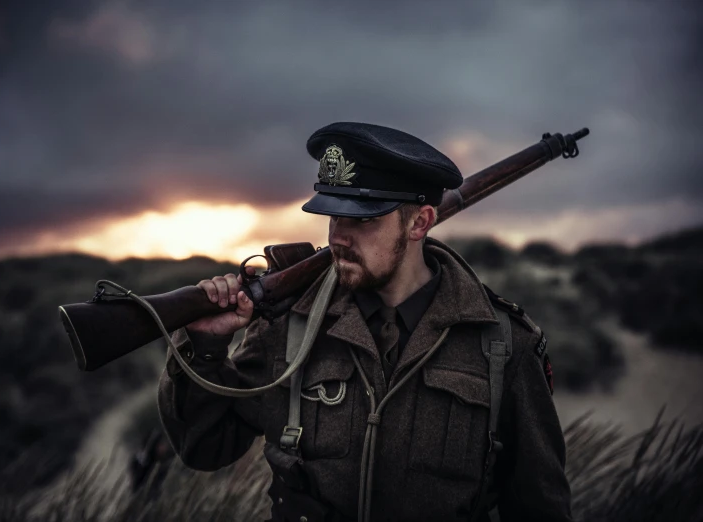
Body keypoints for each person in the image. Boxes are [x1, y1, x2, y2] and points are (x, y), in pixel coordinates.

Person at [157, 122, 572, 521]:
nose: (338, 236)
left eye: (363, 219)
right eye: (334, 216)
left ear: (420, 222)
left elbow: (539, 507)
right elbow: (206, 448)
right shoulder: (288, 326)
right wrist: (204, 348)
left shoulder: (501, 344)